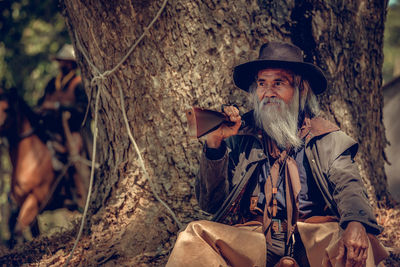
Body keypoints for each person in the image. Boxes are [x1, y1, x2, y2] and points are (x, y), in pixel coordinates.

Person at [167, 42, 387, 267]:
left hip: (312, 241)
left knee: (360, 244)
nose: (268, 92)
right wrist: (215, 144)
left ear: (301, 89)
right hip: (254, 241)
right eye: (262, 83)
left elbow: (349, 186)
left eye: (278, 83)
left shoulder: (327, 138)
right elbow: (211, 204)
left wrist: (357, 223)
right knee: (193, 237)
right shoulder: (240, 135)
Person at [37, 44, 90, 209]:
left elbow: (83, 108)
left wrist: (59, 106)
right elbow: (42, 102)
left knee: (74, 155)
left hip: (73, 129)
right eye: (60, 62)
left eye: (65, 62)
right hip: (52, 129)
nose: (61, 65)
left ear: (71, 64)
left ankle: (80, 193)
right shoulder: (53, 82)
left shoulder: (79, 83)